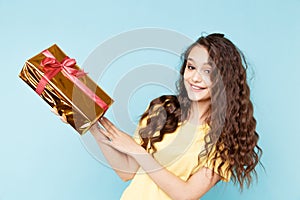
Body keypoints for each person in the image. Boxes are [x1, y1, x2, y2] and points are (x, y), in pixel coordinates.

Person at [89, 33, 262, 200]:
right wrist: (92, 126)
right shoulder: (161, 110)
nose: (195, 78)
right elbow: (127, 172)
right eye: (191, 67)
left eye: (208, 71)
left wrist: (138, 151)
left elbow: (186, 195)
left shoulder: (224, 140)